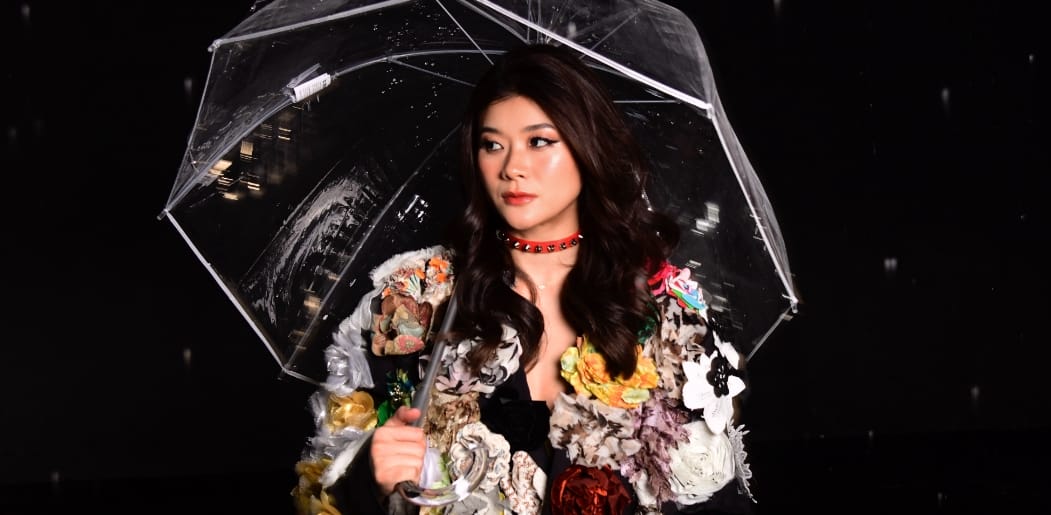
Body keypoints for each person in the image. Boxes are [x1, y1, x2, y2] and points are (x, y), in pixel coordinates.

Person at [292, 43, 756, 515]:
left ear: (587, 147)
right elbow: (327, 489)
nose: (512, 167)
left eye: (539, 141)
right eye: (492, 145)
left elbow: (715, 497)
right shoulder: (417, 300)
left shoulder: (664, 312)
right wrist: (371, 479)